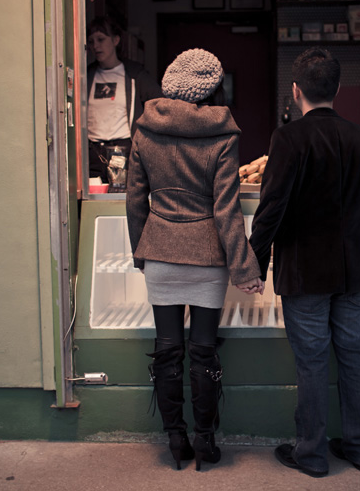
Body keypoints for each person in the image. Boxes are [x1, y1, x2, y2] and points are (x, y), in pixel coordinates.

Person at [248, 47, 360, 477]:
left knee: (311, 361)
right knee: (353, 353)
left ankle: (310, 454)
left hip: (306, 271)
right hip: (353, 269)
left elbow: (271, 208)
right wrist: (352, 233)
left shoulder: (287, 139)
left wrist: (254, 259)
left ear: (295, 91)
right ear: (338, 89)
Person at [126, 48, 264, 471]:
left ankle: (175, 439)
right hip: (207, 256)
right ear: (211, 89)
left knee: (167, 349)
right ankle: (205, 440)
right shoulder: (223, 134)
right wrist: (245, 267)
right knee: (203, 351)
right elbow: (227, 211)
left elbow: (135, 202)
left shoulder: (145, 130)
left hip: (161, 251)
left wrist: (140, 252)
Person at [86, 16, 162, 185]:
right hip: (92, 151)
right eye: (91, 41)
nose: (95, 46)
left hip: (122, 148)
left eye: (100, 39)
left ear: (115, 40)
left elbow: (160, 103)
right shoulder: (86, 75)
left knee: (123, 197)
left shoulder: (134, 74)